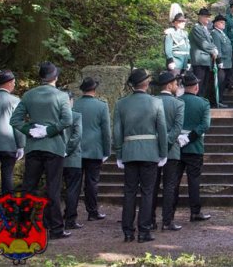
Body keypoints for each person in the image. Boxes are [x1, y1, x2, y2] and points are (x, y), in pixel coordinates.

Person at [10, 61, 73, 239]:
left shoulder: (29, 95)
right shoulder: (61, 96)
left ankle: (22, 228)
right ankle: (56, 228)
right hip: (54, 147)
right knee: (53, 188)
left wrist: (30, 130)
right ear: (55, 77)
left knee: (29, 188)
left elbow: (15, 120)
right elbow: (67, 120)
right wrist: (49, 130)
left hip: (34, 147)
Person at [113, 68, 168, 243]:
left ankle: (128, 232)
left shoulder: (121, 104)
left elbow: (117, 132)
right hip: (150, 152)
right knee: (147, 192)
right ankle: (144, 231)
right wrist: (163, 152)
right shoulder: (156, 102)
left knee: (129, 192)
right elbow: (162, 130)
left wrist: (119, 153)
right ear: (146, 83)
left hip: (129, 152)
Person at [0, 70, 25, 217]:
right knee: (7, 176)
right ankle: (9, 208)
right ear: (8, 83)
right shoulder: (15, 100)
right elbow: (18, 125)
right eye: (13, 82)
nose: (14, 84)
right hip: (9, 144)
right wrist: (21, 145)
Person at [176, 72, 212, 226]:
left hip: (176, 147)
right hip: (195, 147)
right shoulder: (203, 103)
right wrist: (190, 137)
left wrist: (180, 138)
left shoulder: (177, 101)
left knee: (173, 182)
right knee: (194, 181)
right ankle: (195, 212)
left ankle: (169, 213)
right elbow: (205, 125)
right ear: (196, 87)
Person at [72, 77, 111, 223]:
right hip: (94, 150)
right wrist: (106, 151)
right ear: (95, 89)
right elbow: (106, 131)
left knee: (74, 184)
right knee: (92, 183)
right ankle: (92, 212)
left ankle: (70, 213)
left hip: (76, 149)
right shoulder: (102, 106)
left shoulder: (74, 104)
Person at [151, 71, 185, 232]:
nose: (177, 86)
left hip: (153, 149)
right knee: (169, 186)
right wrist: (167, 143)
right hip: (172, 150)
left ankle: (150, 220)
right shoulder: (178, 104)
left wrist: (159, 143)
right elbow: (177, 128)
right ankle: (167, 220)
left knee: (152, 186)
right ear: (169, 85)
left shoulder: (152, 101)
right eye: (176, 84)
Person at [61, 92, 83, 230]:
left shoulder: (55, 116)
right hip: (73, 158)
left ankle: (52, 219)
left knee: (54, 189)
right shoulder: (76, 116)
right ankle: (70, 219)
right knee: (73, 190)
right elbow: (77, 135)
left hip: (56, 157)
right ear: (70, 101)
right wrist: (67, 150)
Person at [189, 7, 219, 107]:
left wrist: (214, 49)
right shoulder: (196, 28)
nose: (207, 19)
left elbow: (210, 42)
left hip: (206, 61)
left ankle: (201, 103)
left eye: (208, 17)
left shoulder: (205, 29)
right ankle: (196, 104)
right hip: (199, 60)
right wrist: (213, 50)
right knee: (199, 84)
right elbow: (203, 43)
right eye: (205, 16)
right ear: (200, 17)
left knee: (204, 85)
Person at [209, 14, 232, 105]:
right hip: (221, 62)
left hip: (227, 62)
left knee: (223, 83)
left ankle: (220, 100)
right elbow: (217, 48)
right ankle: (217, 101)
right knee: (219, 82)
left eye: (224, 22)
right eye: (221, 22)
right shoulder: (215, 33)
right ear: (215, 23)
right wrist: (219, 60)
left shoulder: (222, 33)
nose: (223, 24)